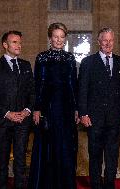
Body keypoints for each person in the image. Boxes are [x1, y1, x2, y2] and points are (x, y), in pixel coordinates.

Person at [27, 23, 79, 189]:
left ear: (65, 39)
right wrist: (37, 108)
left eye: (61, 37)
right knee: (47, 145)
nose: (58, 40)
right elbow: (39, 84)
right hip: (47, 107)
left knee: (65, 146)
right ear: (50, 38)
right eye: (55, 36)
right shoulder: (42, 57)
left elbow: (73, 84)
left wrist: (77, 109)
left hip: (66, 108)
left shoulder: (70, 58)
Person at [78, 27, 120, 189]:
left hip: (114, 117)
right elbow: (82, 89)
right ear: (99, 42)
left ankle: (109, 184)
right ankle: (95, 185)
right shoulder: (88, 62)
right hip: (94, 117)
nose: (108, 43)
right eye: (105, 40)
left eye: (111, 40)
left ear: (114, 41)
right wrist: (83, 113)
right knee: (95, 154)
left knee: (112, 154)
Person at [0, 31, 35, 189]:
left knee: (20, 159)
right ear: (5, 45)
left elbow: (32, 91)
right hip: (2, 121)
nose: (19, 45)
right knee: (2, 159)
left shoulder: (26, 65)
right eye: (14, 42)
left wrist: (27, 110)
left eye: (19, 42)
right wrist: (7, 113)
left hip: (22, 121)